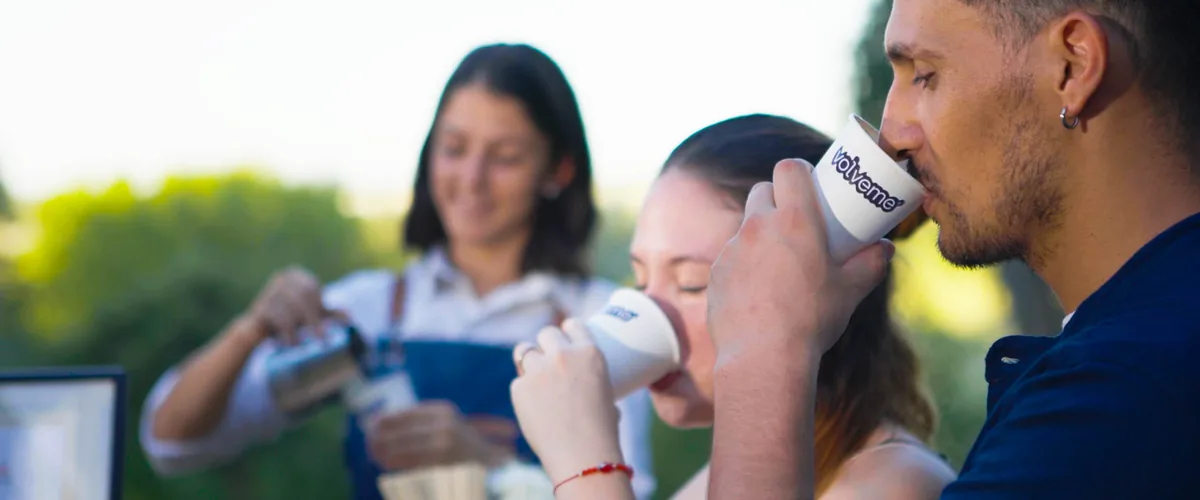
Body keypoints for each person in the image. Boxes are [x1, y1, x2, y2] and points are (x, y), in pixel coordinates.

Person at [700, 0, 1200, 498]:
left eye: (924, 74)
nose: (893, 134)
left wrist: (765, 354)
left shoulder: (1116, 397)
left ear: (1072, 66)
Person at [138, 43, 656, 500]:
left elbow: (629, 494)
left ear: (558, 171)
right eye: (453, 149)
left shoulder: (599, 321)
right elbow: (174, 445)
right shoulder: (366, 312)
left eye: (505, 156)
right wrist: (250, 330)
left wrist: (486, 464)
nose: (470, 179)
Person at [509, 114, 955, 499]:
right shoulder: (719, 480)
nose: (653, 309)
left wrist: (587, 467)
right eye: (642, 279)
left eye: (692, 283)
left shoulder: (895, 483)